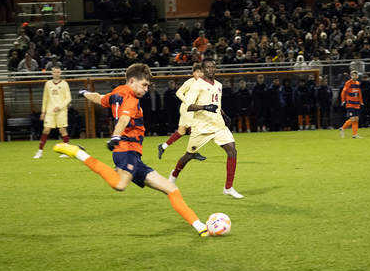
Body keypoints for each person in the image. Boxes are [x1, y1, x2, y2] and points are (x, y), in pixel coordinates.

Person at [53, 63, 210, 237]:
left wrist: (84, 94)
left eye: (148, 86)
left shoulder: (116, 92)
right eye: (144, 85)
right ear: (132, 81)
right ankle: (78, 153)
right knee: (120, 185)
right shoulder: (131, 99)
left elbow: (99, 98)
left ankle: (199, 226)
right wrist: (116, 137)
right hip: (125, 149)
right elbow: (123, 119)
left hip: (135, 156)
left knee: (171, 189)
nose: (146, 89)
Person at [168, 58, 243, 199]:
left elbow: (216, 104)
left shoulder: (219, 85)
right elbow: (189, 105)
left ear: (215, 68)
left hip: (218, 125)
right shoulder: (197, 85)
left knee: (232, 151)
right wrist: (204, 107)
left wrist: (224, 114)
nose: (210, 69)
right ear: (203, 70)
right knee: (189, 155)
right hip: (202, 127)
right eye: (207, 67)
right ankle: (174, 174)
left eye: (212, 66)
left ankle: (228, 187)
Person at [157, 64, 207, 161]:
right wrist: (187, 101)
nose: (200, 74)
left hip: (191, 109)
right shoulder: (190, 82)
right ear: (193, 73)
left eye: (201, 72)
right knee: (196, 129)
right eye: (197, 72)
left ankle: (162, 147)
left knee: (181, 132)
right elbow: (179, 92)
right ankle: (193, 152)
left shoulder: (203, 84)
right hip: (187, 109)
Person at [33, 66, 72, 159]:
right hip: (50, 111)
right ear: (52, 73)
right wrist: (43, 112)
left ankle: (66, 152)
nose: (56, 74)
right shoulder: (48, 84)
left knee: (62, 130)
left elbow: (68, 98)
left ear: (60, 73)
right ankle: (39, 152)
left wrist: (60, 107)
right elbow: (45, 98)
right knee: (46, 130)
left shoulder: (65, 84)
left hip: (61, 111)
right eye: (55, 72)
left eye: (58, 72)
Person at [340, 70, 364, 139]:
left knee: (356, 119)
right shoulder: (348, 83)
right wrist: (343, 101)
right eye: (353, 75)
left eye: (356, 75)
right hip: (350, 103)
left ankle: (354, 135)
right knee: (352, 119)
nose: (355, 76)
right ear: (351, 76)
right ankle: (342, 128)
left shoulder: (358, 83)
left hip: (357, 103)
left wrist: (361, 102)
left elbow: (359, 93)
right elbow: (343, 92)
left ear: (358, 76)